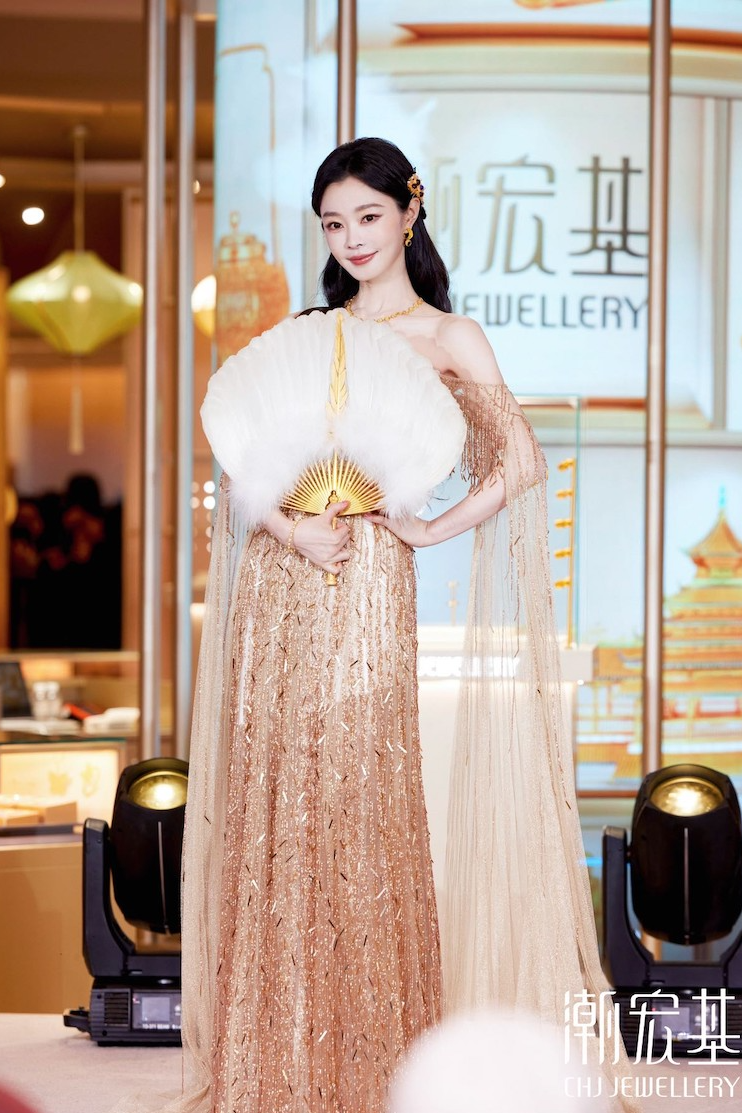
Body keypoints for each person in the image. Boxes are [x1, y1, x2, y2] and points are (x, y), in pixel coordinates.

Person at [178, 138, 638, 1113]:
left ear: (409, 213)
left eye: (368, 217)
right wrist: (292, 531)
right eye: (333, 224)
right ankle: (282, 1064)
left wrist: (429, 530)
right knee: (283, 812)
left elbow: (520, 462)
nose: (351, 239)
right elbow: (247, 471)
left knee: (362, 803)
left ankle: (372, 1060)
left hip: (370, 592)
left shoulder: (448, 336)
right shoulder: (311, 331)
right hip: (285, 585)